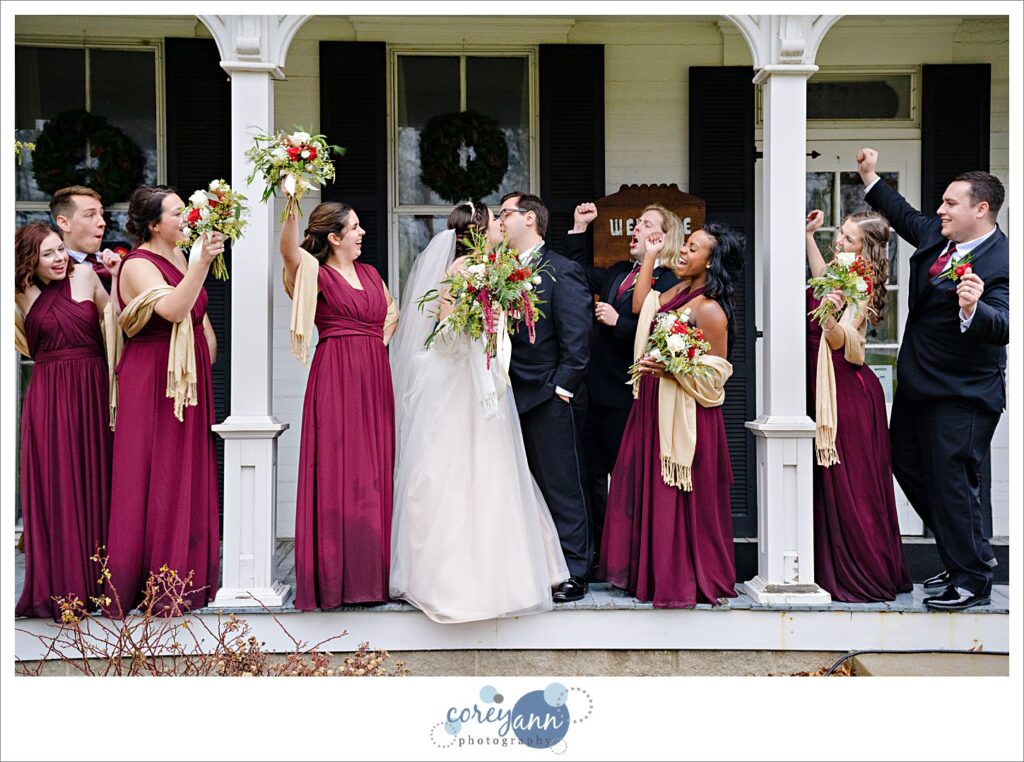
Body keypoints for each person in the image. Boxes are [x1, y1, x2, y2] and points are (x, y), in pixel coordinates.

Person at [389, 201, 569, 622]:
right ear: (479, 231)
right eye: (494, 223)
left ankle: (498, 573)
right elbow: (448, 331)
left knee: (490, 469)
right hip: (459, 382)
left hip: (483, 380)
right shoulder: (463, 271)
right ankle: (452, 579)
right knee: (457, 469)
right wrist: (475, 324)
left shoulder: (491, 269)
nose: (500, 227)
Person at [857, 148, 1009, 610]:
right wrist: (868, 176)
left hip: (963, 394)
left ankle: (973, 578)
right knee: (906, 465)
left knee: (954, 483)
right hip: (918, 386)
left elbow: (1004, 323)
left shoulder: (1003, 260)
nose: (939, 210)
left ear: (980, 209)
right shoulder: (936, 239)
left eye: (950, 203)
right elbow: (902, 214)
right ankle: (963, 556)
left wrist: (972, 309)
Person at [599, 224, 742, 608]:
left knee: (678, 496)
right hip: (652, 403)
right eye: (685, 244)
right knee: (647, 487)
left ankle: (681, 575)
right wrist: (649, 254)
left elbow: (716, 375)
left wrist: (674, 369)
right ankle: (651, 571)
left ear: (710, 261)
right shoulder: (677, 290)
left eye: (692, 248)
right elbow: (640, 304)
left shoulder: (709, 308)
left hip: (686, 414)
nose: (682, 252)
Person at [106, 186, 221, 614]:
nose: (188, 218)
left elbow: (199, 319)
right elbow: (172, 310)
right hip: (153, 379)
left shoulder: (179, 258)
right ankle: (150, 582)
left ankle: (186, 577)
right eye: (178, 212)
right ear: (154, 224)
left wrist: (204, 356)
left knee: (184, 473)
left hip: (187, 380)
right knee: (155, 473)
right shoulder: (138, 263)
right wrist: (203, 263)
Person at [280, 201, 399, 610]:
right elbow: (289, 253)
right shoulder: (315, 273)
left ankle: (371, 576)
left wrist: (374, 343)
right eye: (355, 227)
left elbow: (391, 313)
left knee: (372, 471)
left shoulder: (370, 274)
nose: (363, 232)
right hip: (335, 375)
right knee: (339, 468)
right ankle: (336, 578)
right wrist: (291, 203)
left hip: (374, 376)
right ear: (334, 238)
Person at [564, 202, 681, 572]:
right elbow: (579, 274)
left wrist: (621, 324)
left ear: (663, 237)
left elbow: (665, 336)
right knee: (592, 474)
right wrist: (580, 227)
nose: (636, 228)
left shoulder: (670, 281)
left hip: (628, 395)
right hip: (594, 392)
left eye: (646, 224)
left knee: (628, 477)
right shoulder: (618, 271)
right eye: (636, 221)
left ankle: (633, 557)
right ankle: (601, 553)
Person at [804, 209, 912, 602]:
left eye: (848, 239)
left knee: (852, 486)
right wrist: (808, 236)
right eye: (840, 234)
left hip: (845, 392)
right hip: (826, 386)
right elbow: (820, 282)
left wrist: (829, 323)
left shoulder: (860, 286)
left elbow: (844, 341)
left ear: (865, 249)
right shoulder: (840, 275)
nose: (839, 242)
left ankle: (863, 569)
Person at [14, 223, 117, 619]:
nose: (59, 259)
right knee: (58, 484)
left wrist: (119, 273)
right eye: (48, 254)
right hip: (48, 396)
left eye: (60, 250)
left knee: (96, 479)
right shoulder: (19, 293)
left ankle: (99, 585)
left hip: (92, 389)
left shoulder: (88, 275)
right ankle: (62, 587)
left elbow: (119, 324)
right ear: (29, 260)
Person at [498, 192, 593, 603]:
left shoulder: (562, 271)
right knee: (523, 488)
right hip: (507, 396)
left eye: (506, 214)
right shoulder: (498, 272)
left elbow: (578, 337)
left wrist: (562, 389)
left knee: (562, 486)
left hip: (550, 397)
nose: (500, 221)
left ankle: (575, 570)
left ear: (531, 220)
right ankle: (536, 565)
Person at [49, 185, 120, 290]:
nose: (102, 223)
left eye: (101, 214)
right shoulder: (54, 269)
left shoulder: (117, 261)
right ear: (64, 223)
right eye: (90, 215)